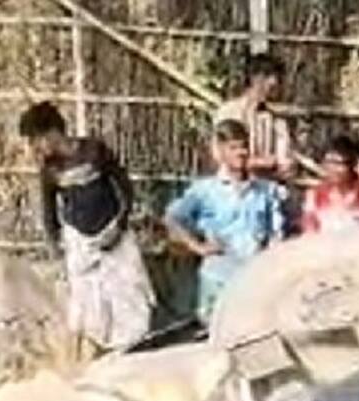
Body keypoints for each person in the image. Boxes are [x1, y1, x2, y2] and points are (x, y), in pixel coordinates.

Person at [18, 102, 151, 360]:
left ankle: (132, 349)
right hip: (81, 243)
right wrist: (56, 249)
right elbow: (50, 213)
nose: (36, 148)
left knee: (128, 295)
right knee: (90, 306)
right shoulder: (50, 170)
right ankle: (101, 352)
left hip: (115, 236)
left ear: (52, 133)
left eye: (37, 140)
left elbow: (124, 188)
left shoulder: (94, 151)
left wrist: (119, 225)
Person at [164, 120, 286, 321]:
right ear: (220, 151)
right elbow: (172, 218)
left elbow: (276, 237)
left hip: (253, 281)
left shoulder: (266, 191)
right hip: (218, 279)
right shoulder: (206, 191)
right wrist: (198, 247)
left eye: (244, 146)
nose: (241, 152)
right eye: (233, 147)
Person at [214, 53, 295, 181]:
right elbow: (220, 156)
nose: (274, 84)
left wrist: (284, 166)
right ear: (255, 79)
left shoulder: (278, 119)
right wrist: (261, 163)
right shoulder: (229, 111)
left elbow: (284, 160)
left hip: (265, 189)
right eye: (269, 78)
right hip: (231, 187)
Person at [303, 135, 359, 234]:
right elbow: (309, 231)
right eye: (328, 162)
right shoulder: (315, 195)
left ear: (351, 165)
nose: (332, 169)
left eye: (337, 163)